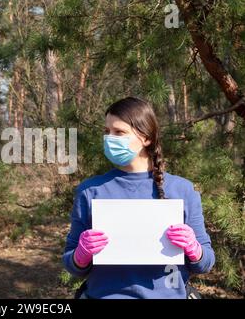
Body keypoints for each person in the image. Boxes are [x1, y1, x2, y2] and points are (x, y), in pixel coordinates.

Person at [62, 97, 215, 299]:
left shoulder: (182, 190)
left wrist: (194, 249)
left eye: (119, 132)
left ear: (146, 137)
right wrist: (80, 256)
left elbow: (206, 263)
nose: (110, 138)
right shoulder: (90, 190)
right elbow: (72, 264)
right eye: (107, 132)